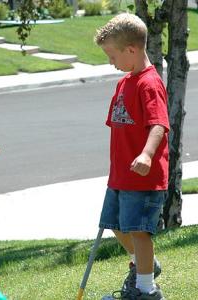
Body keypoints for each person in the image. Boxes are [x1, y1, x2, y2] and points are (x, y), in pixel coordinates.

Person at [94, 13, 169, 300]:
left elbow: (159, 125)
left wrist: (147, 155)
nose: (110, 61)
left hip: (143, 175)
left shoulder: (149, 84)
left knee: (138, 230)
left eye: (112, 55)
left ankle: (146, 289)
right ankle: (144, 265)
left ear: (131, 50)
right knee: (114, 225)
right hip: (121, 174)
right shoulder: (125, 82)